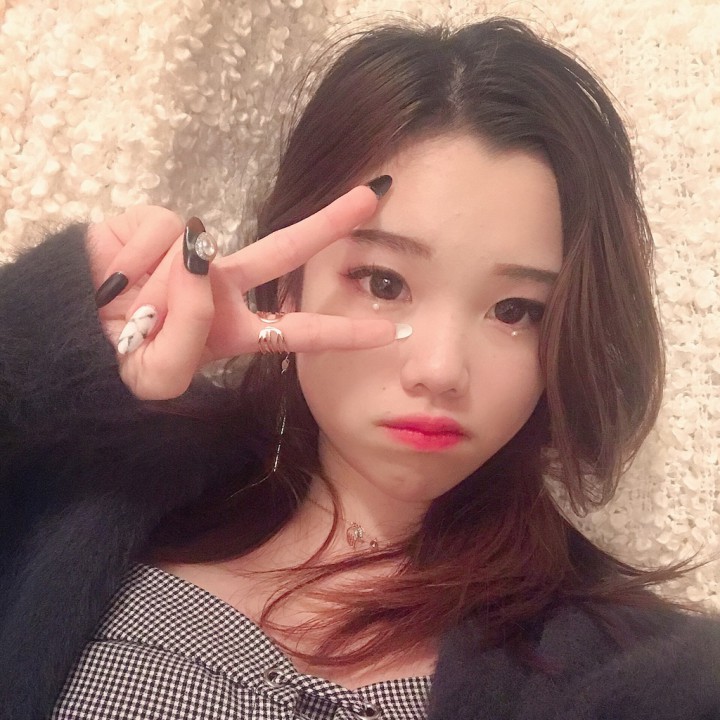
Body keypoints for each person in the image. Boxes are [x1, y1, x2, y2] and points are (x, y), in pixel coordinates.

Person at [0, 16, 718, 720]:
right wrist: (48, 343)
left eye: (515, 310)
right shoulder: (88, 490)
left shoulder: (634, 670)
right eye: (384, 282)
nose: (440, 370)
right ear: (288, 283)